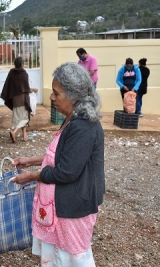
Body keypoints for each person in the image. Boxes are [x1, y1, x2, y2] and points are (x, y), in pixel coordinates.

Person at [11, 62, 105, 266]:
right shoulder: (72, 118)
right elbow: (64, 157)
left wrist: (33, 176)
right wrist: (31, 161)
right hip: (63, 206)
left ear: (74, 97)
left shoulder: (83, 126)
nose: (52, 97)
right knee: (58, 257)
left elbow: (66, 171)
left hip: (73, 207)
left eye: (56, 93)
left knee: (71, 258)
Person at [0, 56, 38, 143]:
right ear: (21, 64)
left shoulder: (11, 73)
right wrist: (33, 89)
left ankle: (25, 136)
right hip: (23, 99)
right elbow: (26, 89)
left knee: (18, 117)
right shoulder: (24, 73)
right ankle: (14, 132)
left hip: (14, 99)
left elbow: (9, 86)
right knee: (25, 118)